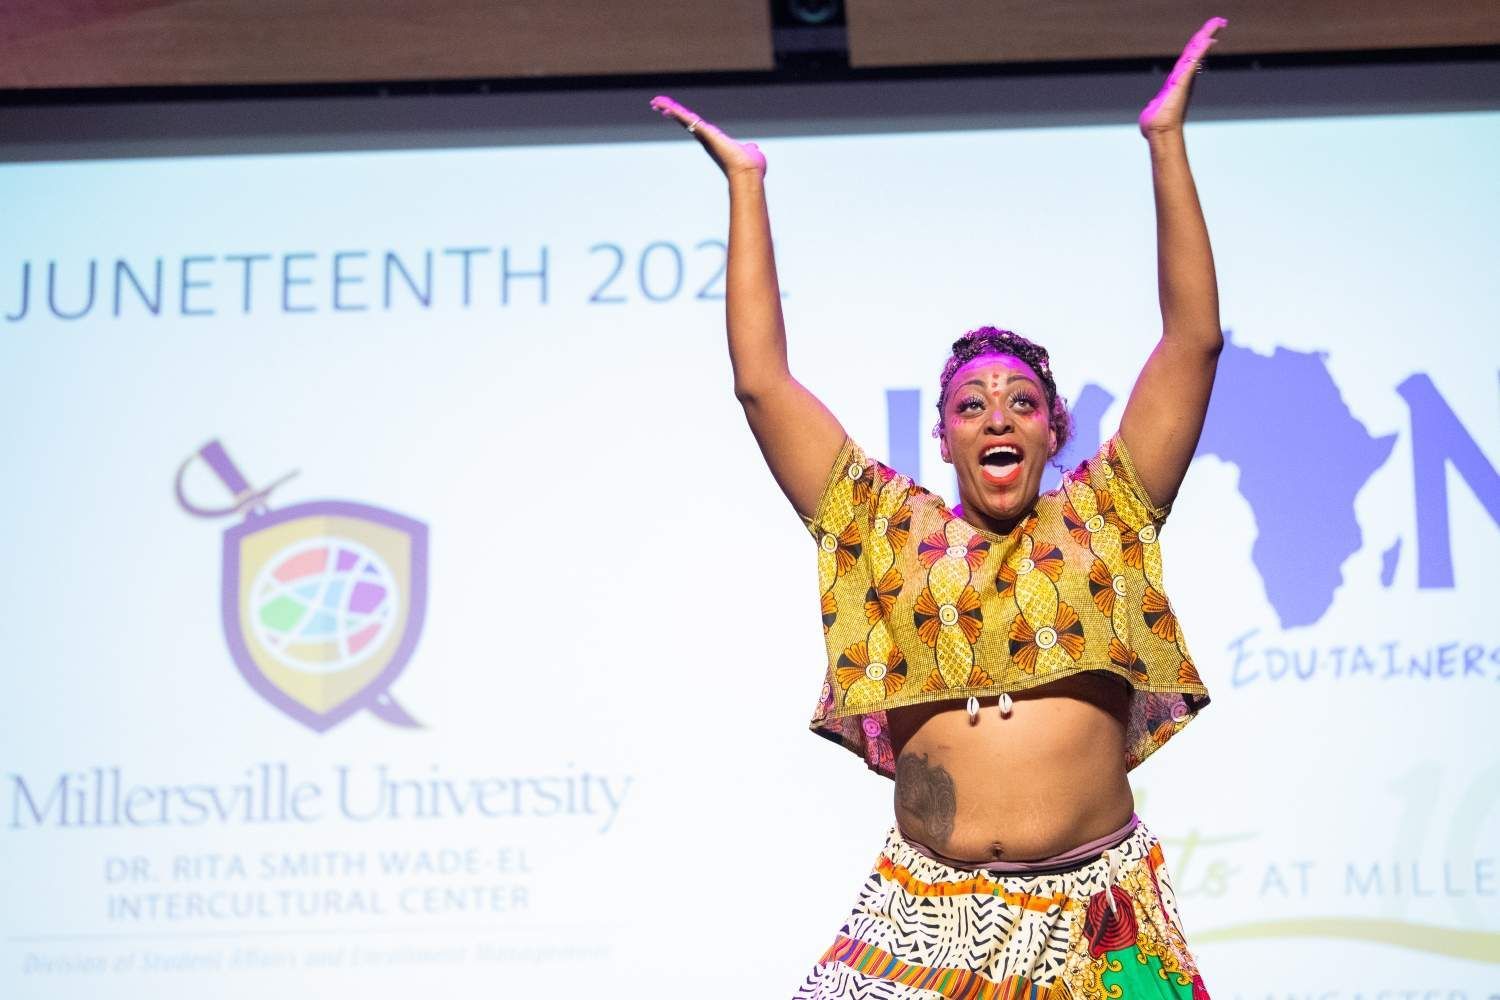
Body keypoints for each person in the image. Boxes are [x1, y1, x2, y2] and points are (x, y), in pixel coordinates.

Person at [651, 16, 1227, 998]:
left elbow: (1193, 342)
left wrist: (1165, 142)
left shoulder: (1108, 512)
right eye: (972, 404)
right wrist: (747, 186)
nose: (995, 415)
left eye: (1019, 402)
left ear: (1054, 430)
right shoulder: (884, 525)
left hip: (1106, 914)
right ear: (945, 434)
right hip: (927, 917)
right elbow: (762, 382)